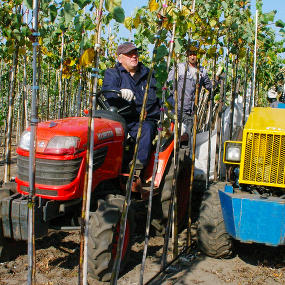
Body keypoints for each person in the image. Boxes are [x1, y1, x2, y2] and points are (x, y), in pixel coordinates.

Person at [102, 42, 161, 169]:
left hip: (143, 121)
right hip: (121, 119)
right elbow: (108, 90)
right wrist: (119, 93)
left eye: (135, 53)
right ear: (120, 58)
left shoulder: (150, 75)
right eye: (129, 54)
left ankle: (137, 168)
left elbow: (163, 96)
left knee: (146, 128)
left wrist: (172, 115)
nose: (134, 56)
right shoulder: (113, 73)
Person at [167, 43, 212, 140]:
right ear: (186, 55)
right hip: (177, 109)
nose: (192, 57)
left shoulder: (202, 71)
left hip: (190, 112)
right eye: (190, 54)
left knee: (186, 138)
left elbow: (209, 87)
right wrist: (171, 104)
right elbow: (168, 85)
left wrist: (217, 80)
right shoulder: (179, 68)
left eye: (194, 54)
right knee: (174, 137)